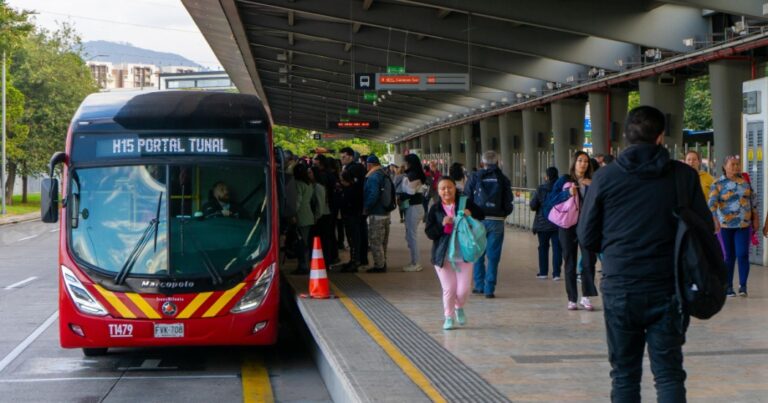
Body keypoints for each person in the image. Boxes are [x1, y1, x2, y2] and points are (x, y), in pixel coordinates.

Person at [578, 105, 712, 402]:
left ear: (625, 136)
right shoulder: (683, 177)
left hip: (621, 287)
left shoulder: (605, 178)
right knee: (668, 375)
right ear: (661, 137)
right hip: (669, 288)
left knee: (624, 374)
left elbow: (586, 236)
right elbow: (704, 230)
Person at [425, 177, 485, 330]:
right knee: (449, 289)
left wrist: (470, 213)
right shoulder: (435, 209)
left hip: (464, 253)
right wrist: (442, 224)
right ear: (438, 192)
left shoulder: (465, 203)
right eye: (442, 188)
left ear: (454, 188)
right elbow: (430, 233)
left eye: (449, 187)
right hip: (443, 255)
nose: (446, 191)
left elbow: (481, 215)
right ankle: (449, 317)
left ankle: (459, 307)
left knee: (463, 290)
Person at [549, 151, 597, 310]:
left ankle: (586, 296)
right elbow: (551, 199)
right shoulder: (564, 180)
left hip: (586, 226)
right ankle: (572, 298)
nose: (583, 164)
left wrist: (595, 188)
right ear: (574, 163)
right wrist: (567, 193)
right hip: (567, 225)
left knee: (589, 261)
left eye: (586, 161)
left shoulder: (593, 181)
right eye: (580, 161)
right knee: (569, 261)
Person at [464, 150, 514, 298]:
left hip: (477, 220)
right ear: (497, 162)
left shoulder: (474, 177)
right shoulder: (503, 179)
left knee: (478, 253)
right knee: (493, 256)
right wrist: (504, 213)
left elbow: (467, 197)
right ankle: (489, 289)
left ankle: (479, 285)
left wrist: (470, 216)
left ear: (482, 163)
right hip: (497, 221)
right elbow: (508, 201)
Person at [709, 155, 758, 297]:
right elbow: (712, 203)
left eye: (738, 164)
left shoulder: (745, 183)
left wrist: (756, 218)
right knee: (729, 257)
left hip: (743, 225)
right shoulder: (717, 183)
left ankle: (743, 286)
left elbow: (753, 202)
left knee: (742, 254)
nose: (736, 167)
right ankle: (728, 286)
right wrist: (714, 219)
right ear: (724, 166)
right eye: (733, 164)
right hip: (725, 226)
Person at [337, 147, 367, 272]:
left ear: (350, 156)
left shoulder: (354, 169)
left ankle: (355, 261)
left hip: (352, 208)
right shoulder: (357, 168)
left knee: (354, 235)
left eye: (343, 157)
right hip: (357, 207)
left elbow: (353, 187)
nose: (341, 159)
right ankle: (360, 259)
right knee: (359, 233)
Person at [530, 167, 562, 281]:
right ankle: (556, 274)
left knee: (543, 248)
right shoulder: (561, 188)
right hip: (558, 223)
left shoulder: (541, 189)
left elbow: (533, 206)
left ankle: (543, 272)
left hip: (543, 223)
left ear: (547, 176)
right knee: (557, 248)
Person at [363, 155, 391, 273]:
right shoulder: (384, 174)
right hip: (386, 212)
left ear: (369, 165)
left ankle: (379, 265)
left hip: (376, 213)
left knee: (375, 240)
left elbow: (373, 194)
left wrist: (366, 207)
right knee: (383, 240)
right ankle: (383, 262)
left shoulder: (373, 177)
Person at [400, 153, 427, 272]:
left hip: (414, 208)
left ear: (410, 163)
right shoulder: (411, 174)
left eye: (405, 162)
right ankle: (414, 261)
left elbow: (410, 192)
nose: (403, 164)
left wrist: (404, 185)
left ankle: (416, 262)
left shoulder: (414, 175)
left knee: (412, 236)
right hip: (412, 207)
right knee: (409, 236)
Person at [292, 163, 316, 275]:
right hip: (308, 215)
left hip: (300, 216)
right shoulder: (309, 184)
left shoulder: (297, 184)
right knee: (304, 242)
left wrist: (292, 214)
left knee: (300, 242)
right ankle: (305, 264)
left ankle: (303, 266)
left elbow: (297, 201)